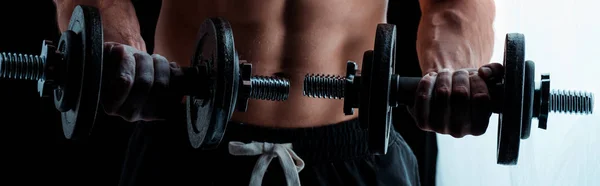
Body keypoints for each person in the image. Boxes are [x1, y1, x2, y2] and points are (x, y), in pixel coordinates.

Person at [54, 0, 499, 185]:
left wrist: (451, 73)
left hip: (356, 154)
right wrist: (119, 50)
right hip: (187, 148)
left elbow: (456, 4)